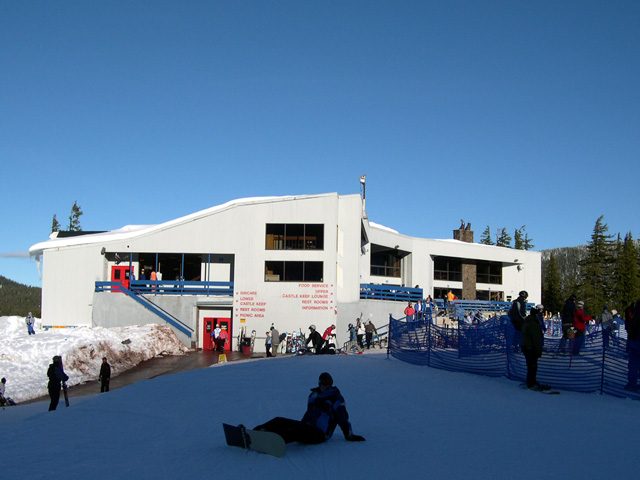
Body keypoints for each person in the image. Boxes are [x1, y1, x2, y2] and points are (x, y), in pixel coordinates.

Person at [251, 372, 365, 445]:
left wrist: (349, 435)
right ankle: (254, 432)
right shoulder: (314, 395)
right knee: (279, 420)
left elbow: (343, 418)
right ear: (319, 384)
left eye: (329, 384)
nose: (326, 386)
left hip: (320, 433)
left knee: (295, 431)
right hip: (306, 425)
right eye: (324, 384)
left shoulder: (335, 399)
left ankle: (272, 441)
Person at [521, 305, 545, 390]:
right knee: (532, 365)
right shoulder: (533, 324)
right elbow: (536, 338)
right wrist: (539, 350)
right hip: (530, 347)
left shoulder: (527, 321)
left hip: (526, 346)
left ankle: (531, 381)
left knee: (530, 365)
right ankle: (531, 382)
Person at [625, 300, 640, 391]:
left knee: (634, 365)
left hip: (637, 342)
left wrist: (630, 340)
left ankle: (632, 384)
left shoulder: (637, 314)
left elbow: (632, 328)